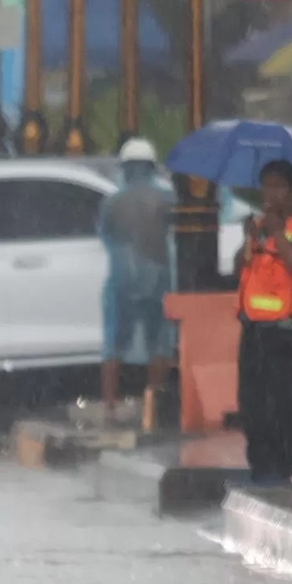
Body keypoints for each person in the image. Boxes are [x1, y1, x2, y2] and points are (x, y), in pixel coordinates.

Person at [236, 157, 292, 485]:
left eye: (279, 186)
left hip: (282, 331)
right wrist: (249, 239)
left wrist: (278, 236)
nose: (271, 193)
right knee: (251, 401)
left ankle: (280, 467)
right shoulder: (257, 228)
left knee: (277, 402)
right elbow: (240, 269)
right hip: (252, 328)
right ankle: (259, 464)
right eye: (267, 186)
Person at [100, 137, 175, 423]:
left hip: (121, 280)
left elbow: (106, 235)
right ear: (152, 167)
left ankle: (110, 406)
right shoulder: (167, 199)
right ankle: (154, 403)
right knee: (159, 344)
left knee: (114, 345)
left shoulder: (112, 202)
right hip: (158, 277)